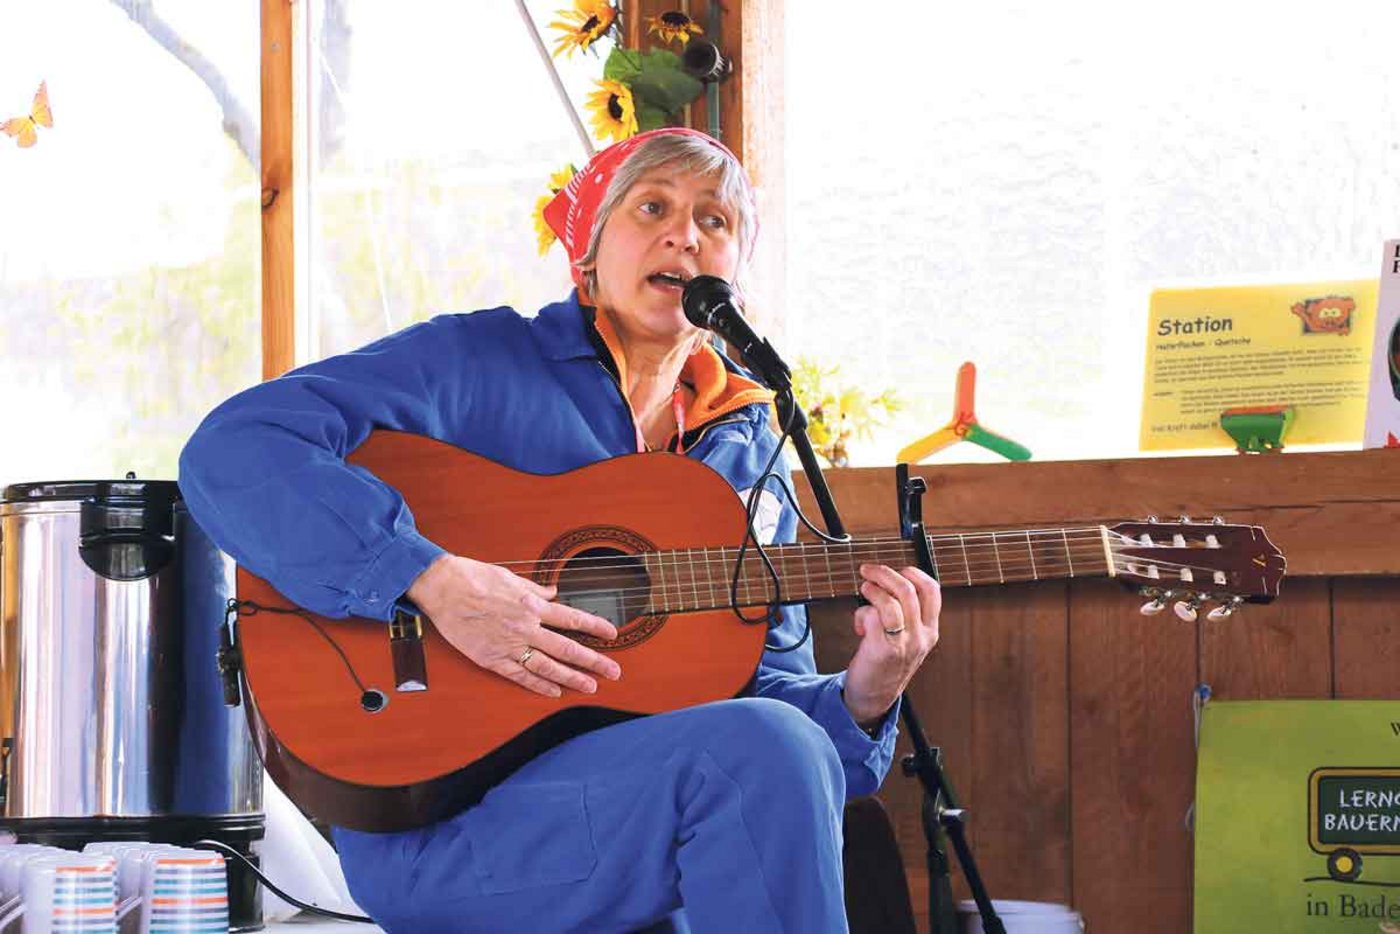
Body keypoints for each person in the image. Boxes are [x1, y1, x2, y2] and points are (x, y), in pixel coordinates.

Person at [179, 127, 941, 933]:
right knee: (759, 750)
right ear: (589, 248)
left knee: (774, 745)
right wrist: (431, 579)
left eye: (715, 220)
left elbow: (771, 711)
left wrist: (867, 692)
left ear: (736, 275)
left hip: (636, 809)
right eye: (654, 207)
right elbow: (233, 451)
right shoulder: (476, 362)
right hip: (442, 825)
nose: (686, 233)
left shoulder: (750, 445)